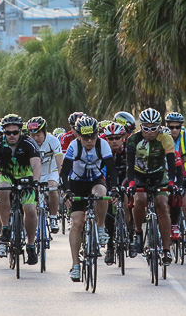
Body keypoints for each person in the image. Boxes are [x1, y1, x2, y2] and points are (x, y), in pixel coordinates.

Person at [60, 116, 117, 281]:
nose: (90, 140)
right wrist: (67, 191)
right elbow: (64, 173)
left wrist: (114, 189)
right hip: (77, 183)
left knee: (101, 192)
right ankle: (76, 265)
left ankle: (100, 227)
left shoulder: (103, 144)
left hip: (95, 180)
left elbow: (111, 169)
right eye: (86, 137)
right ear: (78, 135)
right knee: (77, 223)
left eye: (93, 136)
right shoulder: (73, 147)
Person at [126, 108, 176, 265]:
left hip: (158, 174)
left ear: (159, 127)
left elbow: (171, 161)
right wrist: (132, 183)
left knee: (162, 204)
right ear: (141, 127)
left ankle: (166, 250)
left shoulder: (166, 138)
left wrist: (172, 182)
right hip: (139, 174)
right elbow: (129, 164)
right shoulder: (133, 139)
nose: (149, 132)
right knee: (139, 199)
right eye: (145, 128)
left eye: (153, 128)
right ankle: (139, 233)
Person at [0, 114, 41, 264]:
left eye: (15, 132)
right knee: (3, 188)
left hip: (26, 177)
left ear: (21, 131)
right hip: (7, 175)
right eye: (8, 133)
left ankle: (31, 245)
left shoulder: (29, 143)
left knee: (30, 209)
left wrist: (36, 182)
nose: (11, 136)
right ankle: (5, 228)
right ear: (3, 132)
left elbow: (36, 165)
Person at [165, 111, 186, 257]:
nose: (174, 130)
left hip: (184, 174)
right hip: (167, 175)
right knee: (167, 204)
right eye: (171, 127)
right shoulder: (163, 136)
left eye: (177, 127)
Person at [27, 116, 64, 233]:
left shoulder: (53, 141)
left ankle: (53, 217)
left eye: (38, 135)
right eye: (32, 136)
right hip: (34, 171)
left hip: (50, 170)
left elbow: (59, 160)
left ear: (45, 133)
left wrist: (61, 177)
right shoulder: (27, 143)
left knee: (53, 188)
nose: (35, 138)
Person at [101, 121, 129, 265]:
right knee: (108, 210)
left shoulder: (129, 150)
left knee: (128, 204)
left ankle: (130, 234)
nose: (114, 141)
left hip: (126, 179)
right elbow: (102, 173)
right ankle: (110, 247)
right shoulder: (104, 151)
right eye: (110, 139)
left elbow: (132, 171)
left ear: (123, 137)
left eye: (117, 138)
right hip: (109, 182)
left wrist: (124, 186)